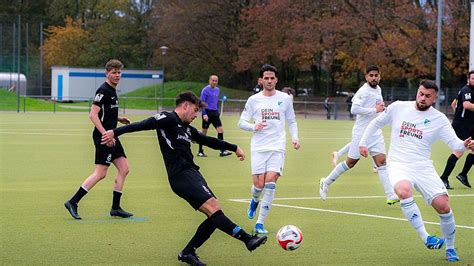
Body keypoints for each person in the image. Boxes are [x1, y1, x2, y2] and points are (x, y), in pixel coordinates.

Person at [101, 91, 267, 265]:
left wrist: (233, 147)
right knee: (214, 208)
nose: (196, 115)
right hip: (180, 175)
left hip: (192, 173)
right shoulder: (167, 118)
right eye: (195, 110)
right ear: (185, 105)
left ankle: (188, 252)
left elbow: (207, 140)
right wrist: (114, 132)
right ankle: (247, 239)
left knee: (215, 214)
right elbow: (142, 124)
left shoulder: (187, 129)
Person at [359, 80, 474, 262]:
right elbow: (375, 123)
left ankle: (450, 248)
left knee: (443, 206)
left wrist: (466, 144)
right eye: (421, 93)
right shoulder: (398, 107)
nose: (422, 98)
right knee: (403, 191)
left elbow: (455, 143)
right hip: (398, 164)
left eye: (428, 96)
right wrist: (363, 143)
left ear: (435, 99)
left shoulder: (439, 119)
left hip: (423, 166)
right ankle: (426, 237)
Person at [64, 59, 133, 220]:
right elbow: (93, 115)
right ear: (107, 73)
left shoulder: (113, 90)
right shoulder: (104, 90)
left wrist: (119, 119)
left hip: (112, 135)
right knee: (101, 173)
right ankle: (73, 202)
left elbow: (106, 114)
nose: (117, 75)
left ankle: (115, 208)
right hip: (104, 136)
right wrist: (105, 134)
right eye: (114, 72)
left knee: (124, 169)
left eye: (119, 72)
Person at [319, 65, 398, 205]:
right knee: (351, 162)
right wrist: (374, 110)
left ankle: (390, 194)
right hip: (361, 132)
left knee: (381, 162)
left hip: (375, 132)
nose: (374, 78)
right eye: (371, 75)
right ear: (366, 77)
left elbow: (377, 108)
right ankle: (326, 181)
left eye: (376, 75)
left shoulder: (378, 89)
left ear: (380, 76)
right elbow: (354, 109)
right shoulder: (363, 91)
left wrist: (381, 110)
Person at [238, 64, 300, 234]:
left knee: (270, 183)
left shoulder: (285, 99)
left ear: (276, 79)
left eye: (272, 78)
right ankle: (254, 199)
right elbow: (241, 122)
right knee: (258, 185)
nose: (269, 81)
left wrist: (295, 138)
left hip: (277, 147)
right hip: (258, 147)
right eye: (266, 78)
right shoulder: (253, 100)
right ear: (261, 80)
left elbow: (292, 121)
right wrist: (254, 126)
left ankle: (260, 223)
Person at [439, 71, 474, 189]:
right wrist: (460, 118)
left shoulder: (468, 91)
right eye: (473, 78)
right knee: (459, 152)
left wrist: (458, 114)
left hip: (469, 126)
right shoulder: (467, 90)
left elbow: (454, 104)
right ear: (468, 80)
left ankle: (463, 175)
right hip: (462, 126)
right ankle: (444, 178)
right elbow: (466, 105)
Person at [197, 75, 232, 158]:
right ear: (209, 81)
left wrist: (217, 111)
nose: (214, 82)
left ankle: (222, 150)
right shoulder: (205, 90)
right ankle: (200, 151)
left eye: (216, 81)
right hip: (207, 113)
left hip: (215, 113)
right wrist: (204, 114)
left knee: (220, 131)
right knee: (204, 133)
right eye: (213, 80)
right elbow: (202, 102)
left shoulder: (217, 90)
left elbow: (216, 102)